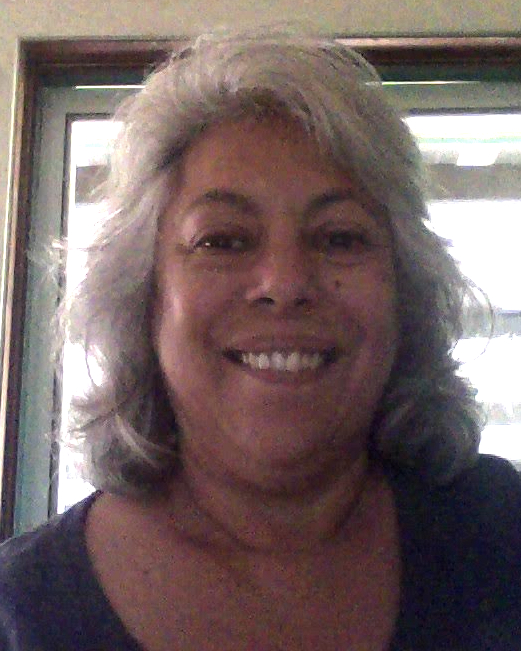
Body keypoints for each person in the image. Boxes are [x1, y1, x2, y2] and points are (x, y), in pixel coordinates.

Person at [1, 29, 520, 651]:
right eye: (222, 240)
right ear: (145, 298)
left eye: (339, 237)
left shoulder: (503, 534)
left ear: (403, 294)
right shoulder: (18, 613)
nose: (286, 283)